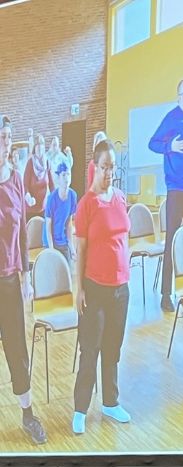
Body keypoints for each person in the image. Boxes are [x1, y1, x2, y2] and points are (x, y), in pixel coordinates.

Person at [72, 140, 132, 436]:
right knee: (90, 349)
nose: (110, 172)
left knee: (113, 348)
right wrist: (78, 289)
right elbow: (80, 250)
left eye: (113, 166)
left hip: (121, 289)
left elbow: (123, 238)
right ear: (95, 167)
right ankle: (81, 408)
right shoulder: (87, 204)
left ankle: (111, 402)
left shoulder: (120, 197)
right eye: (105, 167)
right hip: (94, 288)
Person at [0, 119, 46, 443]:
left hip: (10, 282)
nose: (5, 142)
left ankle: (28, 416)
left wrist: (27, 277)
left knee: (17, 350)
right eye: (1, 137)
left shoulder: (15, 179)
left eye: (8, 137)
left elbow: (24, 233)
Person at [149, 77, 183, 313]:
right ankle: (165, 294)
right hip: (176, 189)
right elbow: (152, 143)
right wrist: (169, 146)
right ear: (179, 96)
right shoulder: (171, 118)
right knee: (172, 240)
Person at [43, 155, 77, 261]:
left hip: (63, 241)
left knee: (67, 272)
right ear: (58, 177)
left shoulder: (72, 195)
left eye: (68, 174)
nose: (66, 178)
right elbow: (48, 226)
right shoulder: (52, 198)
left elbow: (69, 222)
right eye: (63, 175)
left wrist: (71, 247)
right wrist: (52, 249)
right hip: (50, 241)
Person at [22, 132, 48, 215]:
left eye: (41, 145)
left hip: (43, 208)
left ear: (44, 148)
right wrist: (28, 197)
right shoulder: (30, 163)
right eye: (37, 146)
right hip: (30, 209)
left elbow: (52, 185)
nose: (40, 148)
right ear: (34, 148)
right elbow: (24, 185)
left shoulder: (47, 163)